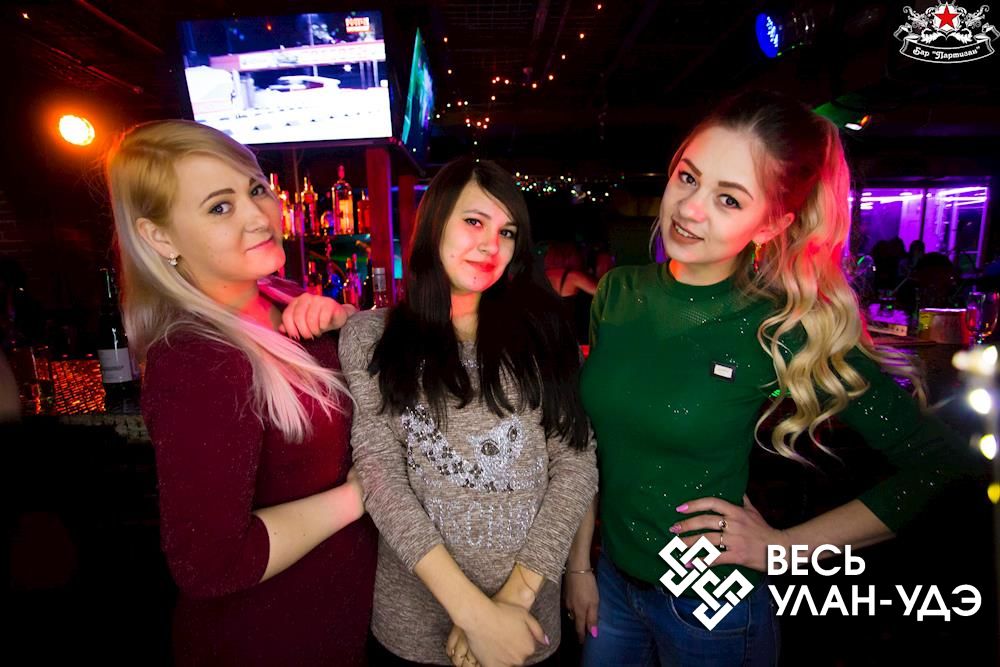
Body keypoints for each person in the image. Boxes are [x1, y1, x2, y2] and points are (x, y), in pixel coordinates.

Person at [566, 91, 972, 666]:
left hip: (709, 601)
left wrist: (783, 549)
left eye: (729, 199)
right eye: (688, 177)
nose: (689, 209)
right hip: (611, 580)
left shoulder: (782, 325)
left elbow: (938, 463)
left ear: (771, 224)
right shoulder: (618, 291)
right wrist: (580, 566)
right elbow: (587, 446)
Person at [105, 120, 376, 666]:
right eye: (219, 207)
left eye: (255, 189)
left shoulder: (283, 298)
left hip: (341, 622)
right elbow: (208, 563)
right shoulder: (196, 358)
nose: (258, 216)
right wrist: (360, 496)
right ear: (160, 237)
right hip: (268, 642)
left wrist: (350, 323)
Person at [339, 157, 598, 666]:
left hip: (526, 627)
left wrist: (511, 604)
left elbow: (576, 465)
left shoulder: (546, 335)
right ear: (435, 223)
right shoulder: (370, 336)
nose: (491, 246)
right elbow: (380, 475)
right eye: (474, 222)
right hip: (412, 628)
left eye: (507, 232)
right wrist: (476, 615)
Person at [543, 241, 598, 345]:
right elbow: (604, 292)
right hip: (566, 333)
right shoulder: (573, 276)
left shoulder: (540, 276)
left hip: (544, 332)